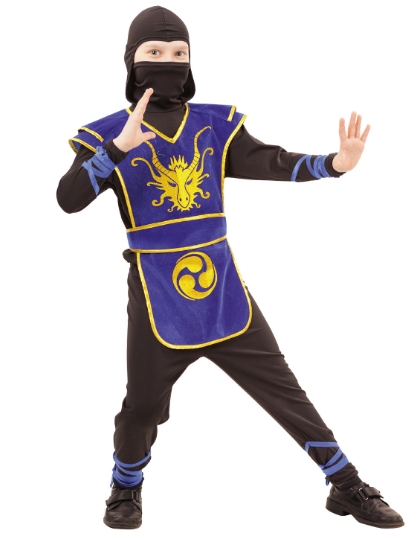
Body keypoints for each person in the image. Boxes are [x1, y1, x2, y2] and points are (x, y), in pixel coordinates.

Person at [57, 5, 403, 531]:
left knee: (284, 390)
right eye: (154, 52)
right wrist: (118, 148)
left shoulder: (215, 125)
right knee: (142, 407)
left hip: (223, 293)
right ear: (131, 61)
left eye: (179, 53)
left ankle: (346, 484)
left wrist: (333, 165)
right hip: (156, 296)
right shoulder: (107, 133)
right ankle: (125, 488)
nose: (168, 61)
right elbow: (68, 199)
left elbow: (272, 161)